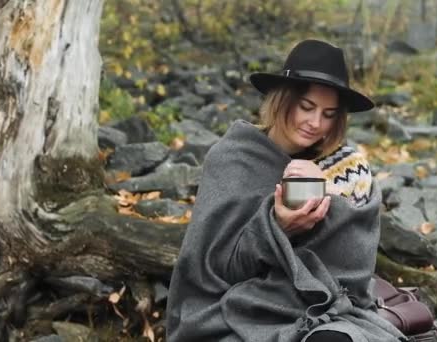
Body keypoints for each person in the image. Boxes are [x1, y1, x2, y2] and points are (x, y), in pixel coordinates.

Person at [166, 39, 405, 342]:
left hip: (322, 309)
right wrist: (276, 228)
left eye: (329, 114)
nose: (315, 123)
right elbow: (214, 270)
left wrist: (327, 191)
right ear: (281, 100)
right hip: (231, 310)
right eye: (306, 107)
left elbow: (354, 270)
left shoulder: (347, 166)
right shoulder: (233, 159)